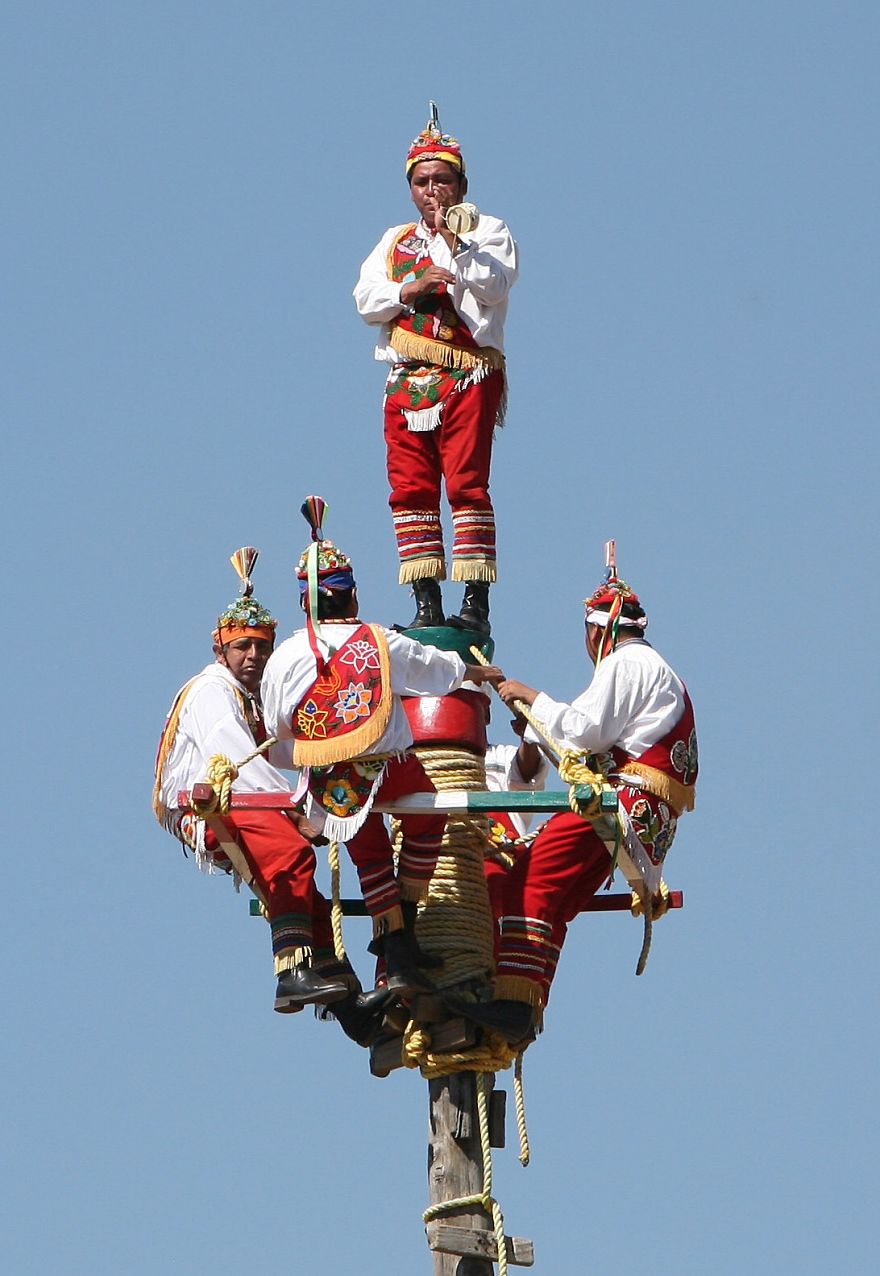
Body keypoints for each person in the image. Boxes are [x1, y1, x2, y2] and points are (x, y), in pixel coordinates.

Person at [260, 498, 503, 996]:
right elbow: (432, 668)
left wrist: (307, 767)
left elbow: (277, 733)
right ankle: (404, 927)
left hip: (329, 780)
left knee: (368, 854)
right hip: (389, 767)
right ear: (351, 598)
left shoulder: (283, 658)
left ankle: (393, 941)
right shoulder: (377, 640)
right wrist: (476, 671)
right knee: (430, 814)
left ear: (305, 602)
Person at [459, 549, 698, 1042]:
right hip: (638, 818)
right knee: (557, 898)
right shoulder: (655, 671)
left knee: (531, 878)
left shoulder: (628, 664)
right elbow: (587, 746)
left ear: (596, 631)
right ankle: (525, 997)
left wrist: (529, 695)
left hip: (621, 808)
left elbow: (583, 732)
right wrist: (536, 725)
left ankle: (515, 1003)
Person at [153, 547, 356, 1014]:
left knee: (308, 898)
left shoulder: (250, 699)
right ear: (219, 650)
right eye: (242, 646)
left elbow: (281, 750)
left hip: (236, 800)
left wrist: (326, 772)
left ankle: (356, 1010)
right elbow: (239, 758)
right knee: (290, 850)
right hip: (208, 806)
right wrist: (302, 810)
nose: (254, 655)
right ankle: (290, 977)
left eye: (262, 646)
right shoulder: (212, 692)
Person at [353, 103, 518, 634]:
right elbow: (365, 299)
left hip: (466, 371)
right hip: (407, 380)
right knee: (410, 489)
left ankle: (476, 605)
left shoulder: (489, 230)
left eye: (442, 180)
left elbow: (494, 285)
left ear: (461, 184)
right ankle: (425, 604)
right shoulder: (393, 240)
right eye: (422, 181)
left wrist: (454, 243)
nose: (432, 191)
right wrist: (409, 289)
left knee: (467, 484)